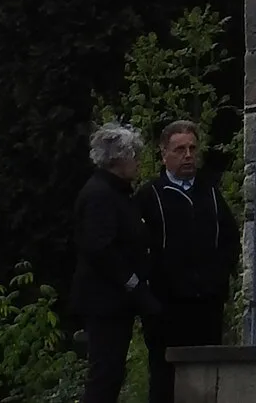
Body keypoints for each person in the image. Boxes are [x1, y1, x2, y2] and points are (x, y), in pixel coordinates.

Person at [134, 121, 240, 403]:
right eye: (180, 149)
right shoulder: (150, 196)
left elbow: (230, 238)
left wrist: (220, 276)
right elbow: (137, 248)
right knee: (165, 378)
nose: (188, 155)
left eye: (192, 148)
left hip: (207, 303)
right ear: (164, 154)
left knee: (207, 377)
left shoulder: (210, 193)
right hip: (166, 307)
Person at [70, 126, 160, 403]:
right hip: (105, 301)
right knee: (104, 374)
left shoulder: (117, 193)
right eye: (134, 156)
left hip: (116, 301)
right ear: (118, 159)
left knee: (111, 373)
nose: (138, 162)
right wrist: (133, 284)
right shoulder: (100, 195)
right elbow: (101, 249)